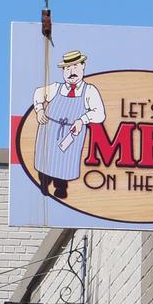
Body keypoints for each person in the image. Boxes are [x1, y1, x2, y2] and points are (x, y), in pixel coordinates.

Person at [31, 49, 106, 200]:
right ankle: (44, 184)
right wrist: (39, 110)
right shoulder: (56, 88)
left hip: (71, 132)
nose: (72, 72)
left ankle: (61, 187)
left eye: (75, 67)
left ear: (83, 67)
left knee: (64, 164)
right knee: (45, 160)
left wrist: (82, 120)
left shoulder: (89, 91)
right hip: (49, 129)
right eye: (68, 68)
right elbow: (38, 94)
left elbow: (100, 114)